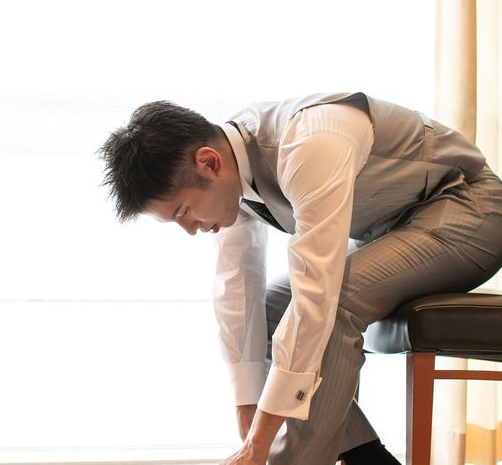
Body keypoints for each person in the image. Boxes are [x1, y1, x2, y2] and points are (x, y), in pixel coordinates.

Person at [98, 92, 502, 465]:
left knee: (334, 301)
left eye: (184, 212)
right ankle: (369, 460)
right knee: (272, 309)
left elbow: (317, 296)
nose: (190, 229)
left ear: (209, 163)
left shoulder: (312, 143)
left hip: (472, 211)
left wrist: (261, 445)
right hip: (398, 229)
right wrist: (249, 417)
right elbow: (237, 290)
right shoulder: (232, 166)